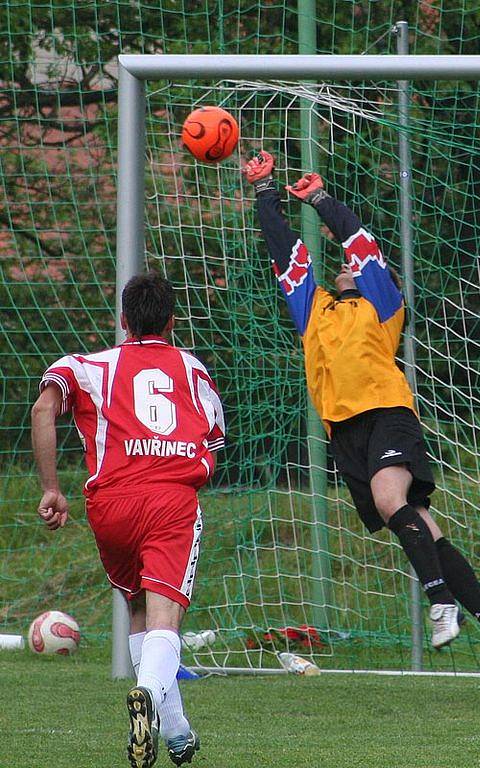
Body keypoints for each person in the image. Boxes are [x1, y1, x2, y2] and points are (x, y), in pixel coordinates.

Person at [242, 150, 480, 675]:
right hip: (344, 434)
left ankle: (440, 602)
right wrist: (265, 190)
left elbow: (360, 245)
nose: (349, 265)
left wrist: (322, 199)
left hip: (386, 413)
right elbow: (286, 253)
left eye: (355, 264)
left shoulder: (382, 303)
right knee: (421, 527)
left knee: (390, 499)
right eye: (344, 265)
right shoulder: (314, 308)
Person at [31, 272, 225, 767]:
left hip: (110, 505)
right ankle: (145, 696)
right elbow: (216, 446)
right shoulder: (194, 369)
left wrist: (51, 487)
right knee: (166, 616)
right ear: (173, 322)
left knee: (137, 608)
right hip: (169, 500)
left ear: (123, 321)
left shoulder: (89, 366)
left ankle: (177, 732)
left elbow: (43, 407)